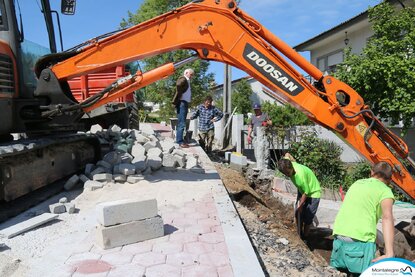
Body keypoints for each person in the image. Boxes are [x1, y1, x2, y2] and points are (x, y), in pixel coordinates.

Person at [330, 162, 395, 275]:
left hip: (338, 238)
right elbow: (387, 218)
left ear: (371, 172)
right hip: (360, 242)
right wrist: (389, 252)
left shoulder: (357, 183)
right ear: (390, 179)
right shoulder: (385, 191)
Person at [278, 153, 321, 239]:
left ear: (291, 168)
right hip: (303, 189)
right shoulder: (287, 162)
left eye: (288, 173)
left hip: (313, 193)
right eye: (285, 174)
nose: (287, 175)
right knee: (299, 213)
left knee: (308, 218)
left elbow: (306, 192)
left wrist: (301, 205)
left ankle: (305, 238)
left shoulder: (300, 177)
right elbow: (287, 154)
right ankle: (298, 234)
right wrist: (294, 160)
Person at [172, 68, 194, 148]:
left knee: (181, 122)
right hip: (182, 103)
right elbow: (178, 84)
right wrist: (179, 94)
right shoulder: (184, 78)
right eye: (191, 74)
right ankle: (180, 142)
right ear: (186, 73)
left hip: (183, 103)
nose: (192, 76)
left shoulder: (186, 80)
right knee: (182, 123)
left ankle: (179, 140)